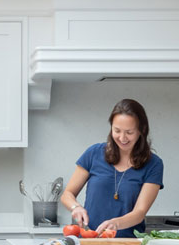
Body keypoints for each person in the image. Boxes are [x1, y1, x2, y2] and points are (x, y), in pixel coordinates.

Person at [60, 98, 164, 237]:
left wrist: (116, 224)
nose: (122, 137)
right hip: (89, 242)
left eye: (129, 132)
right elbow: (67, 194)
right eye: (117, 130)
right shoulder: (94, 153)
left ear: (142, 130)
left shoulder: (153, 164)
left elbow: (139, 212)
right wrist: (76, 207)